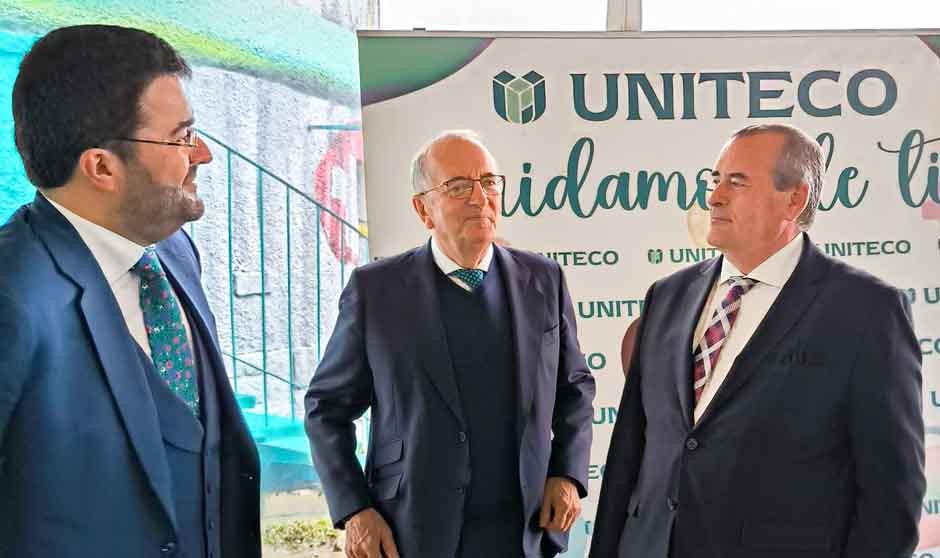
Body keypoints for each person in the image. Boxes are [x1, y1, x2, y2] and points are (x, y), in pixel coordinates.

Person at [590, 123, 924, 558]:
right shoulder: (667, 297)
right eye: (715, 180)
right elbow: (628, 456)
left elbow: (891, 499)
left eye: (737, 182)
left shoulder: (868, 311)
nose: (714, 197)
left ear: (795, 198)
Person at [0, 25, 260, 558]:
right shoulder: (12, 293)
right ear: (101, 167)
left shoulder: (175, 254)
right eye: (181, 137)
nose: (203, 154)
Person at [305, 130, 596, 558]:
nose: (480, 198)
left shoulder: (543, 280)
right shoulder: (376, 291)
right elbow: (326, 409)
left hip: (523, 529)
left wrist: (568, 474)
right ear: (424, 209)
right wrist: (355, 509)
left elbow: (575, 389)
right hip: (413, 530)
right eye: (459, 187)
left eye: (489, 183)